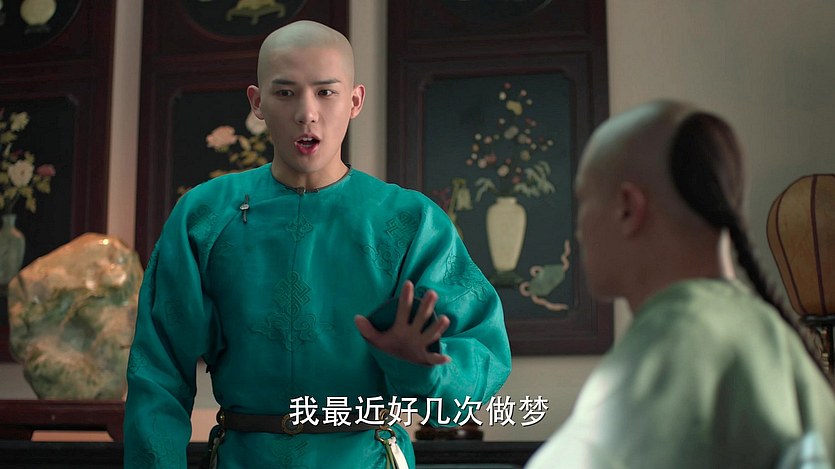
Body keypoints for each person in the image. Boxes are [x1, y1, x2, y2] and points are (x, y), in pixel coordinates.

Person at [124, 20, 511, 468]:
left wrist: (422, 366)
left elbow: (480, 361)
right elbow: (158, 374)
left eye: (326, 92)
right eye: (285, 92)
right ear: (257, 102)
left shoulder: (409, 221)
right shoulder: (204, 215)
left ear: (355, 101)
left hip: (366, 458)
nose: (307, 112)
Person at [526, 100, 835, 468]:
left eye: (583, 200)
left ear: (627, 208)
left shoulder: (678, 341)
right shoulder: (774, 337)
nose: (578, 229)